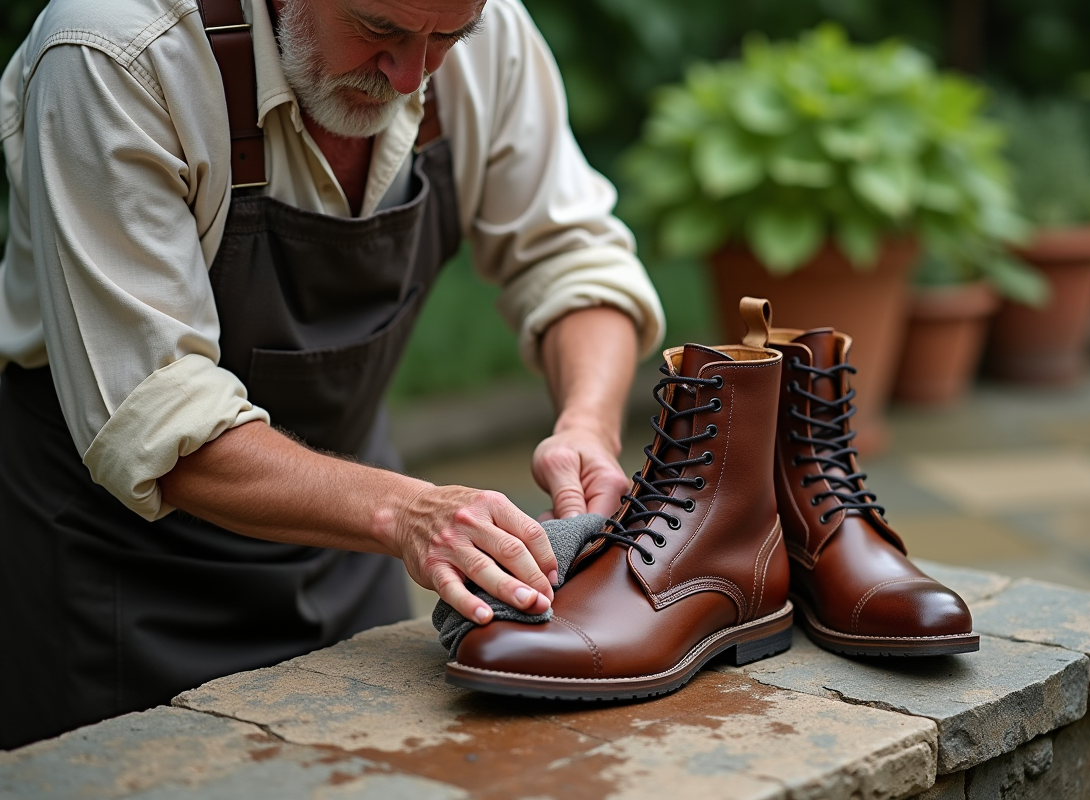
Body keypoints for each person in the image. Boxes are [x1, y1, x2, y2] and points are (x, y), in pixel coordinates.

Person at [0, 0, 663, 749]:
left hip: (356, 554)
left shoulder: (477, 25)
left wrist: (587, 424)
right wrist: (411, 516)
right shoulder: (113, 50)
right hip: (119, 575)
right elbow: (158, 416)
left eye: (447, 39)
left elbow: (571, 255)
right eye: (379, 31)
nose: (411, 75)